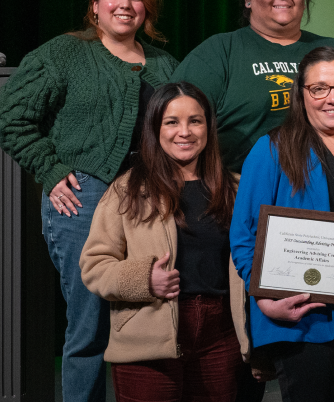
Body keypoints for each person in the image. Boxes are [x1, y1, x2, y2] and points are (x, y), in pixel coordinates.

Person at [0, 0, 178, 402]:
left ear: (146, 10)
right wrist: (50, 170)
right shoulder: (64, 53)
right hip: (84, 199)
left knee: (152, 315)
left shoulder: (166, 64)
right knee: (89, 324)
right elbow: (5, 115)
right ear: (95, 6)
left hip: (150, 201)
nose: (125, 5)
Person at [230, 47, 334, 402]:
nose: (332, 98)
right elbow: (245, 233)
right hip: (303, 317)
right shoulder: (274, 148)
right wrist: (263, 298)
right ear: (301, 94)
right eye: (319, 88)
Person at [80, 82, 250, 401]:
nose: (184, 132)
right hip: (146, 340)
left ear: (208, 127)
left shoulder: (237, 190)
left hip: (221, 338)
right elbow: (93, 266)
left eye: (194, 121)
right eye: (172, 122)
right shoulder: (127, 190)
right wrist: (144, 278)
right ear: (155, 128)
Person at [172, 0, 334, 172]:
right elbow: (172, 121)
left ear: (304, 0)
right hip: (237, 187)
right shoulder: (220, 50)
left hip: (328, 184)